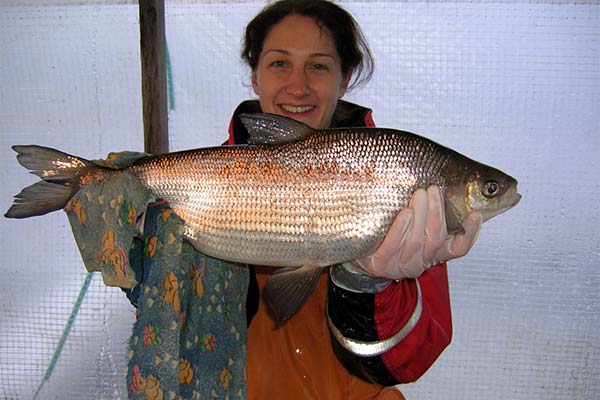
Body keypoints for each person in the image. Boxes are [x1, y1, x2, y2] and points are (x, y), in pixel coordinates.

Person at [64, 1, 482, 399]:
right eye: (279, 63)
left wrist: (365, 284)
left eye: (318, 66)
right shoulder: (196, 187)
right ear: (255, 75)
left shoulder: (406, 188)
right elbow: (176, 331)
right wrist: (142, 246)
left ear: (346, 76)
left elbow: (408, 363)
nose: (297, 86)